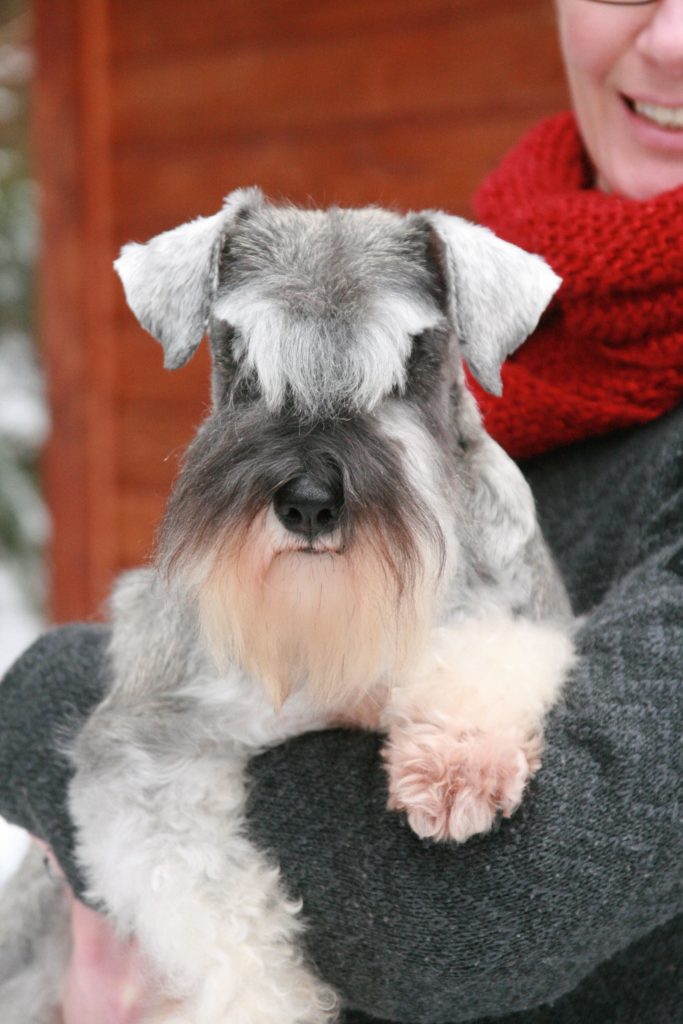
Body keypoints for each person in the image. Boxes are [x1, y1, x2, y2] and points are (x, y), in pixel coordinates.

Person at [1, 0, 682, 1020]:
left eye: (389, 378)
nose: (667, 38)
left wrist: (57, 691)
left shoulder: (477, 339)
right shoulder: (505, 337)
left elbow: (468, 918)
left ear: (446, 356)